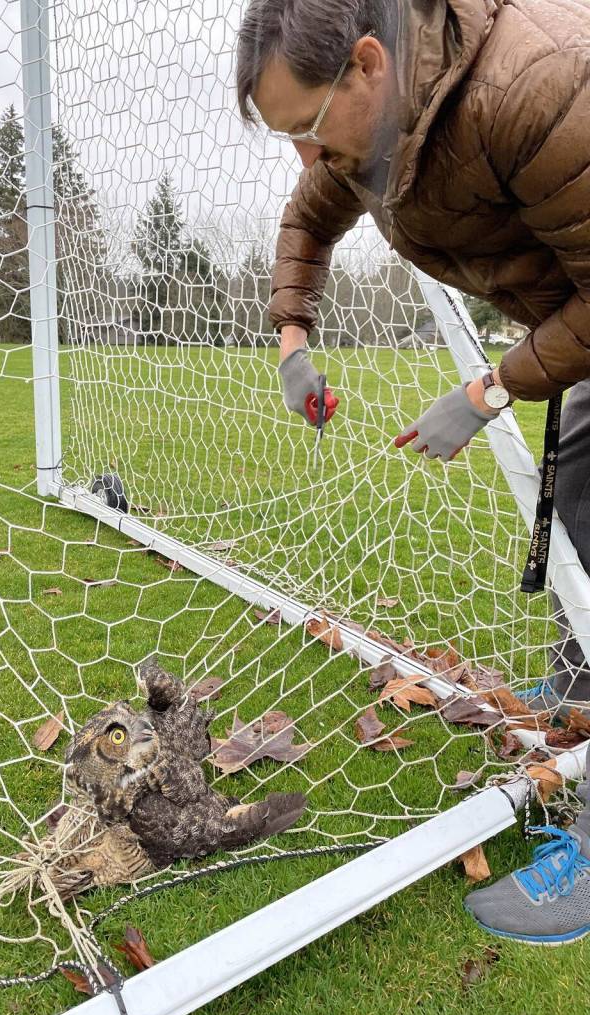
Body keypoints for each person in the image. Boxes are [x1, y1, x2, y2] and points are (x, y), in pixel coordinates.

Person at [235, 0, 590, 944]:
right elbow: (308, 222)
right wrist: (291, 343)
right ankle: (583, 696)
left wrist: (487, 392)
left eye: (305, 129)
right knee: (583, 521)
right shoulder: (369, 133)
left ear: (366, 65)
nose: (304, 158)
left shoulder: (535, 89)